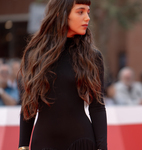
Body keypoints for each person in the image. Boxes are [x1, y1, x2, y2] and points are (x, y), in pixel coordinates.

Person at [18, 0, 107, 150]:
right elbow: (28, 105)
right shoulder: (34, 55)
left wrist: (102, 147)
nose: (87, 18)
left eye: (88, 12)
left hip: (82, 142)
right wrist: (23, 146)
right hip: (43, 143)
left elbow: (97, 106)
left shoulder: (92, 57)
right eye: (80, 12)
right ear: (61, 14)